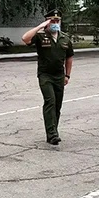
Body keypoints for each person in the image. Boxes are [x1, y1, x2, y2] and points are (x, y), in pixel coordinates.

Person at [22, 9, 74, 145]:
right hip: (45, 75)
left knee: (57, 104)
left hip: (59, 75)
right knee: (50, 101)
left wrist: (67, 75)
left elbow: (69, 57)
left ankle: (53, 131)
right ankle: (51, 134)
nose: (55, 23)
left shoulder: (65, 38)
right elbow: (25, 39)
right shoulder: (40, 36)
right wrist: (40, 26)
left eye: (57, 21)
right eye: (52, 21)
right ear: (47, 22)